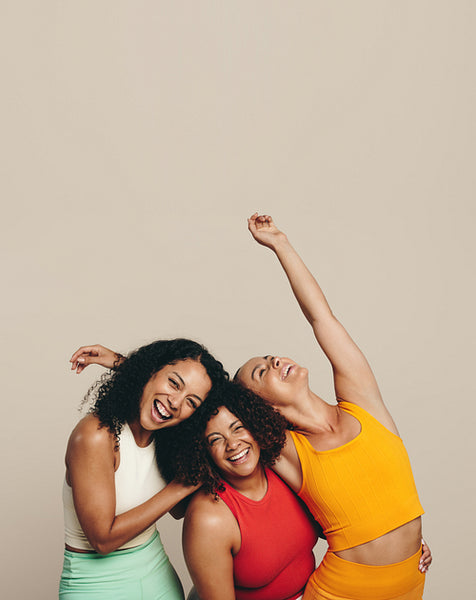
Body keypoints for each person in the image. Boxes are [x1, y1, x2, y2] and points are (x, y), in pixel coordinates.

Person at [234, 213, 431, 600]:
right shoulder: (283, 449)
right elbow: (201, 413)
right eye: (262, 372)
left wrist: (280, 243)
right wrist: (128, 366)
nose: (274, 361)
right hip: (344, 590)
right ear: (264, 408)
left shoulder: (362, 403)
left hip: (410, 581)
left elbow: (320, 317)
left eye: (270, 357)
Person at [60, 338, 227, 600]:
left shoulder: (164, 438)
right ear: (150, 371)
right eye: (174, 383)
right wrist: (180, 486)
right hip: (95, 586)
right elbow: (102, 540)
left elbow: (179, 511)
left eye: (191, 402)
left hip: (158, 576)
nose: (175, 403)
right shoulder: (96, 435)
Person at [179, 381, 321, 600]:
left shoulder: (283, 468)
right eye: (215, 440)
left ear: (254, 426)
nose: (233, 444)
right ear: (203, 453)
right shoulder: (208, 517)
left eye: (238, 428)